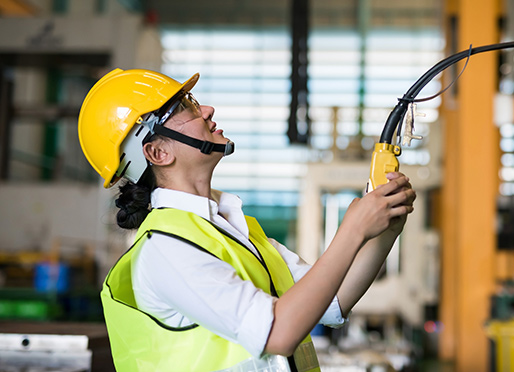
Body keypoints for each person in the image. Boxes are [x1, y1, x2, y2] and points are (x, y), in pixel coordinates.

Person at [78, 68, 416, 372]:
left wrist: (387, 225)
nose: (206, 110)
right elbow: (278, 333)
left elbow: (331, 300)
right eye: (184, 107)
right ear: (157, 153)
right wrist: (353, 230)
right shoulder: (165, 248)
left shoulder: (231, 228)